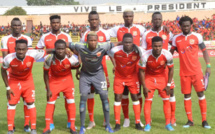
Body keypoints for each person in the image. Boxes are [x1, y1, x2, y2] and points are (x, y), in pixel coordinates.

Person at [68, 32, 114, 134]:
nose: (93, 42)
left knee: (104, 97)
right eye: (90, 40)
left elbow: (117, 44)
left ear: (97, 41)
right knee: (83, 98)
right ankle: (82, 127)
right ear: (87, 41)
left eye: (94, 40)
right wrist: (67, 51)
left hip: (99, 75)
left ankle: (107, 125)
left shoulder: (103, 46)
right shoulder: (80, 46)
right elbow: (67, 44)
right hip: (85, 75)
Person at [170, 16, 211, 129]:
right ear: (180, 26)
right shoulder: (176, 38)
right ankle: (190, 120)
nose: (186, 27)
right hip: (184, 73)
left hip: (197, 71)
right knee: (187, 96)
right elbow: (171, 52)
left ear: (191, 25)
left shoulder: (197, 36)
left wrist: (208, 65)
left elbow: (204, 51)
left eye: (188, 25)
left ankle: (204, 120)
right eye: (184, 25)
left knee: (201, 94)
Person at [108, 9, 146, 127]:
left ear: (133, 16)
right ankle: (125, 119)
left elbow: (151, 37)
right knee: (122, 96)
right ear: (123, 17)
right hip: (120, 75)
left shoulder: (140, 29)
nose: (128, 18)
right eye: (126, 16)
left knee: (136, 96)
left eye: (130, 16)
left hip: (134, 73)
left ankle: (138, 121)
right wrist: (115, 64)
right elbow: (105, 42)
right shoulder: (116, 30)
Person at [1, 39, 46, 134]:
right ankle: (10, 130)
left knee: (30, 103)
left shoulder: (33, 53)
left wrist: (66, 50)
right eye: (18, 49)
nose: (21, 51)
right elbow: (3, 71)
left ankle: (33, 129)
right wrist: (8, 87)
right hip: (14, 81)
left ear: (27, 49)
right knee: (11, 104)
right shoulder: (8, 58)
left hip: (27, 81)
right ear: (15, 49)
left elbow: (48, 51)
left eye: (23, 49)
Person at [36, 15, 73, 130]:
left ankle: (70, 122)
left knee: (69, 98)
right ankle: (50, 123)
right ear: (50, 24)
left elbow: (72, 51)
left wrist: (70, 52)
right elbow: (38, 51)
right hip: (50, 72)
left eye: (57, 22)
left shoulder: (67, 36)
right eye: (53, 23)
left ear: (60, 23)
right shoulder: (45, 37)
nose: (55, 24)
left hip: (65, 72)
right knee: (51, 98)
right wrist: (52, 51)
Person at [141, 12, 176, 126]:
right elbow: (143, 50)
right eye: (155, 19)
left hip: (165, 68)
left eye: (159, 19)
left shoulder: (167, 32)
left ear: (162, 20)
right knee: (148, 95)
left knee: (170, 92)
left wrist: (168, 57)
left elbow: (174, 44)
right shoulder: (146, 34)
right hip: (151, 68)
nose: (157, 21)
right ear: (152, 20)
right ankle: (148, 121)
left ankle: (172, 119)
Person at [1, 17, 32, 132]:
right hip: (11, 75)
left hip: (25, 74)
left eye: (19, 25)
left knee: (27, 100)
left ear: (22, 27)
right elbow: (5, 59)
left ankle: (26, 124)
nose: (17, 27)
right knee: (11, 101)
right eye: (15, 25)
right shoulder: (5, 39)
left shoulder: (27, 39)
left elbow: (29, 56)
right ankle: (11, 125)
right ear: (11, 26)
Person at [80, 11, 111, 129]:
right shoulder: (85, 35)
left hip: (102, 69)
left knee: (104, 93)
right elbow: (81, 51)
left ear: (99, 20)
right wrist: (79, 66)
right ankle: (91, 121)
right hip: (87, 69)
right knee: (89, 94)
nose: (94, 21)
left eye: (95, 19)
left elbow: (109, 51)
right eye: (91, 19)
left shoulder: (105, 33)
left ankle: (105, 120)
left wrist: (114, 65)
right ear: (89, 21)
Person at [42, 40, 79, 134]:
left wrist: (77, 68)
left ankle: (72, 126)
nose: (60, 51)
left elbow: (77, 65)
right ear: (55, 48)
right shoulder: (49, 58)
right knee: (50, 102)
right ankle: (47, 126)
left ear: (65, 49)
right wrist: (48, 89)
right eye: (58, 48)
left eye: (62, 48)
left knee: (71, 101)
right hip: (54, 81)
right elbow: (45, 74)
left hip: (67, 81)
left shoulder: (71, 58)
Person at [139, 36, 174, 132]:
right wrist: (144, 86)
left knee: (166, 100)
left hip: (162, 78)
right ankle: (147, 124)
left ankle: (168, 124)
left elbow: (171, 69)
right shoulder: (145, 55)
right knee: (148, 100)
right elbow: (141, 71)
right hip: (149, 78)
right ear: (152, 46)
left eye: (159, 46)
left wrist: (168, 85)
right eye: (155, 46)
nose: (157, 48)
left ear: (162, 45)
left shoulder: (167, 54)